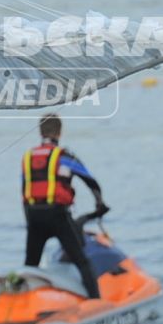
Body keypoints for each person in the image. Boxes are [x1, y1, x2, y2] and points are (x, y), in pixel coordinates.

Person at [21, 114, 107, 299]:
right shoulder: (64, 157)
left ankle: (23, 304)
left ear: (40, 132)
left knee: (30, 265)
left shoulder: (28, 157)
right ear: (60, 132)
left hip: (34, 216)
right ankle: (96, 302)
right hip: (57, 216)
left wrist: (30, 222)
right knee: (82, 261)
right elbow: (90, 181)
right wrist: (100, 204)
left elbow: (25, 192)